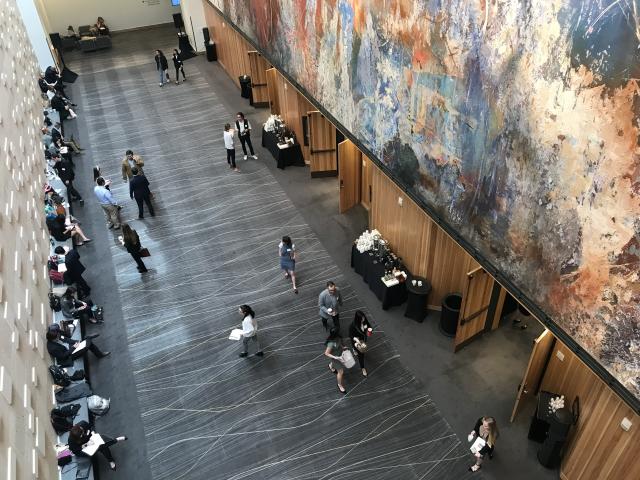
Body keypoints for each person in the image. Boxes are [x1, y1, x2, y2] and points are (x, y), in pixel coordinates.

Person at [349, 310, 373, 377]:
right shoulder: (353, 325)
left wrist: (370, 330)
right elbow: (351, 335)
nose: (363, 320)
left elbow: (369, 326)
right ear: (357, 319)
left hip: (363, 340)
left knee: (360, 351)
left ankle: (354, 349)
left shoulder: (364, 321)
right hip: (357, 341)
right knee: (361, 354)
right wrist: (356, 339)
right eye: (361, 319)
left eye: (363, 318)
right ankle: (363, 368)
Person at [324, 327, 348, 394]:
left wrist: (343, 347)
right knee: (341, 372)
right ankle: (339, 385)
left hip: (340, 354)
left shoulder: (338, 337)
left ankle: (330, 365)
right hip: (335, 357)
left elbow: (339, 343)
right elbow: (326, 353)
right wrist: (335, 357)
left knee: (335, 365)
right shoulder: (331, 343)